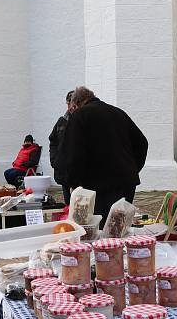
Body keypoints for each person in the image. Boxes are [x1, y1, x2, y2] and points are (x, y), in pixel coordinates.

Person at [63, 86, 148, 223]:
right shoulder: (118, 112)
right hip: (126, 182)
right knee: (119, 228)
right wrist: (132, 168)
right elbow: (142, 143)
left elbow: (73, 153)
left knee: (100, 229)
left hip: (98, 186)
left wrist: (72, 182)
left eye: (71, 108)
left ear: (77, 104)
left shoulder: (80, 116)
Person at [49, 90, 75, 204]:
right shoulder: (61, 121)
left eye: (72, 103)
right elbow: (53, 140)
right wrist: (54, 159)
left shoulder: (83, 119)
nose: (70, 106)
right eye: (68, 103)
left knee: (79, 199)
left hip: (77, 168)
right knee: (67, 201)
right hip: (63, 168)